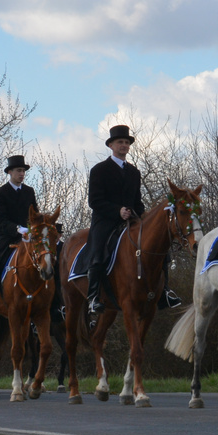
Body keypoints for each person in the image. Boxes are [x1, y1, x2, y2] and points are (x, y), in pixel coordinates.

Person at [86, 125, 145, 313]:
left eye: (127, 142)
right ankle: (93, 297)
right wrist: (117, 211)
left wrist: (142, 216)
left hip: (130, 221)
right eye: (120, 142)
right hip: (105, 221)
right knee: (97, 254)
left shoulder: (134, 173)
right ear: (111, 145)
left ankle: (164, 292)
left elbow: (138, 201)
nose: (124, 145)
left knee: (155, 244)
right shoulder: (99, 170)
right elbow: (94, 201)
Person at [0, 155, 40, 315]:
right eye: (19, 171)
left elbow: (35, 213)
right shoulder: (1, 193)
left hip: (28, 236)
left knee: (47, 257)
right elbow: (0, 220)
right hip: (8, 236)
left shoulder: (29, 191)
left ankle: (54, 303)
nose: (22, 174)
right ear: (10, 172)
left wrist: (35, 227)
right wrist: (18, 229)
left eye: (23, 171)